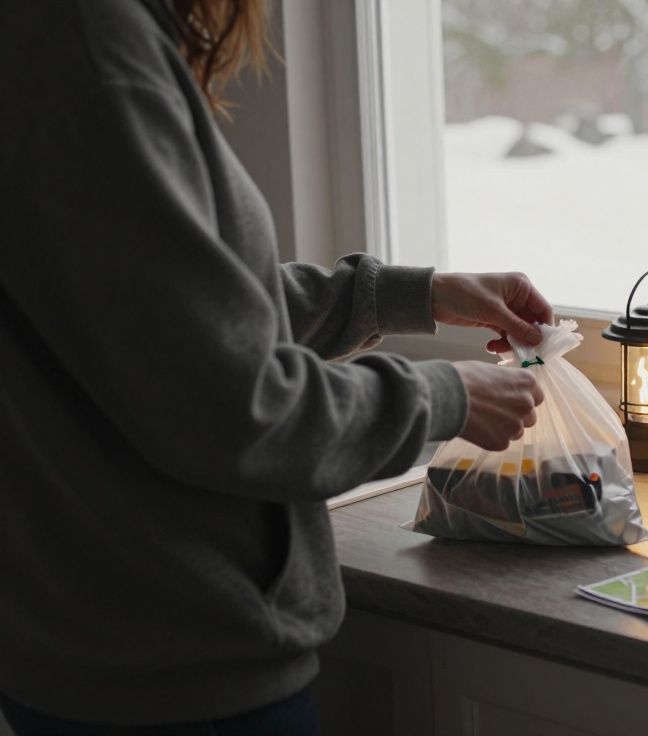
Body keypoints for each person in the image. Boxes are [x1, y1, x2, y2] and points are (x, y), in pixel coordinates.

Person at [0, 1, 546, 732]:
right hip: (169, 668)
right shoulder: (91, 50)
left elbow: (177, 313)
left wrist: (407, 295)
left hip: (106, 640)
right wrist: (443, 397)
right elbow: (231, 403)